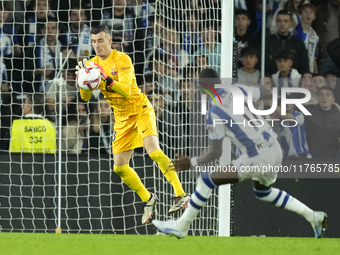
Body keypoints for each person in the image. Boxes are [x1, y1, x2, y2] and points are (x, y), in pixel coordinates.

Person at [152, 68, 327, 239]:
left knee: (205, 181)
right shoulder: (237, 90)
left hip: (257, 155)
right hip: (275, 147)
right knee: (262, 191)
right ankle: (314, 217)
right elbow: (266, 92)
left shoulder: (214, 113)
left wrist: (192, 162)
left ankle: (181, 227)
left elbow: (216, 152)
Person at [76, 25, 189, 224]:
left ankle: (180, 194)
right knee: (119, 167)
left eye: (100, 41)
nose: (97, 45)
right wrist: (83, 80)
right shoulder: (91, 64)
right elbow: (85, 98)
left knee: (153, 151)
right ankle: (148, 198)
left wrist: (105, 78)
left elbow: (127, 91)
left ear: (110, 41)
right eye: (93, 41)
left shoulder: (122, 59)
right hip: (121, 118)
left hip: (140, 109)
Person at [265, 9, 309, 75]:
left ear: (291, 24)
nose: (282, 24)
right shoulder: (267, 42)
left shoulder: (298, 43)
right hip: (271, 81)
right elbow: (261, 64)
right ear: (276, 22)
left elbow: (304, 66)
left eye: (286, 21)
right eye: (279, 21)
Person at [305, 86, 340, 158]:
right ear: (317, 98)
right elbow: (291, 106)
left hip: (334, 157)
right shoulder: (309, 110)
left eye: (328, 95)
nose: (324, 97)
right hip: (312, 157)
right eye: (321, 95)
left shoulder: (338, 115)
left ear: (333, 99)